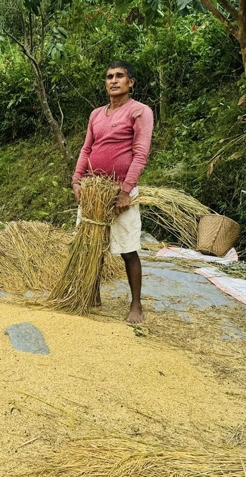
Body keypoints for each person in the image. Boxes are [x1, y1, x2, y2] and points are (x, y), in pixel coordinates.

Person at [72, 60, 154, 324]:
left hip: (120, 190)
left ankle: (136, 305)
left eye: (120, 76)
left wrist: (126, 191)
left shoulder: (139, 111)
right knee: (91, 243)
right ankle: (91, 294)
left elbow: (140, 155)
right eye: (109, 76)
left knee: (127, 248)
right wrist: (77, 181)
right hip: (93, 189)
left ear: (131, 83)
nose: (114, 80)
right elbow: (86, 149)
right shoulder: (96, 114)